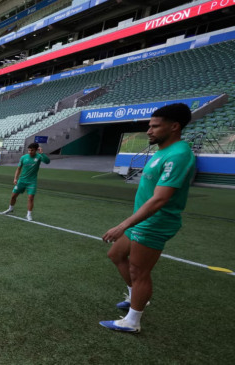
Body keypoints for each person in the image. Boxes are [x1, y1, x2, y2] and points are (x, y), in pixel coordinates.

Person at [99, 104, 196, 334]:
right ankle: (136, 298)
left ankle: (132, 321)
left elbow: (160, 199)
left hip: (155, 221)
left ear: (174, 127)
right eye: (149, 126)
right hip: (142, 220)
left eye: (155, 126)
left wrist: (123, 224)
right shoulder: (162, 151)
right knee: (116, 254)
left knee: (138, 271)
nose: (149, 130)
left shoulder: (179, 154)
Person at [2, 142, 50, 221]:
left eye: (32, 150)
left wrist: (42, 153)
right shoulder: (23, 157)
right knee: (13, 196)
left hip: (32, 181)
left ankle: (29, 214)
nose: (30, 152)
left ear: (36, 150)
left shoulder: (39, 157)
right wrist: (15, 178)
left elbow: (47, 161)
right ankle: (10, 209)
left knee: (30, 198)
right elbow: (18, 169)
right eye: (29, 150)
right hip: (21, 180)